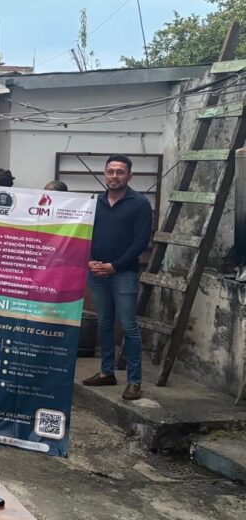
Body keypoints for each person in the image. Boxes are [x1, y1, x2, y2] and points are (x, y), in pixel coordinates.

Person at [82, 155, 152, 401]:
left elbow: (140, 242)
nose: (114, 176)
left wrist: (115, 266)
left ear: (129, 176)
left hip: (124, 274)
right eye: (110, 171)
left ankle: (134, 381)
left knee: (129, 326)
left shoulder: (140, 204)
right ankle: (106, 372)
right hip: (96, 272)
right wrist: (89, 260)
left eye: (120, 172)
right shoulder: (95, 203)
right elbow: (84, 234)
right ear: (105, 174)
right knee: (104, 323)